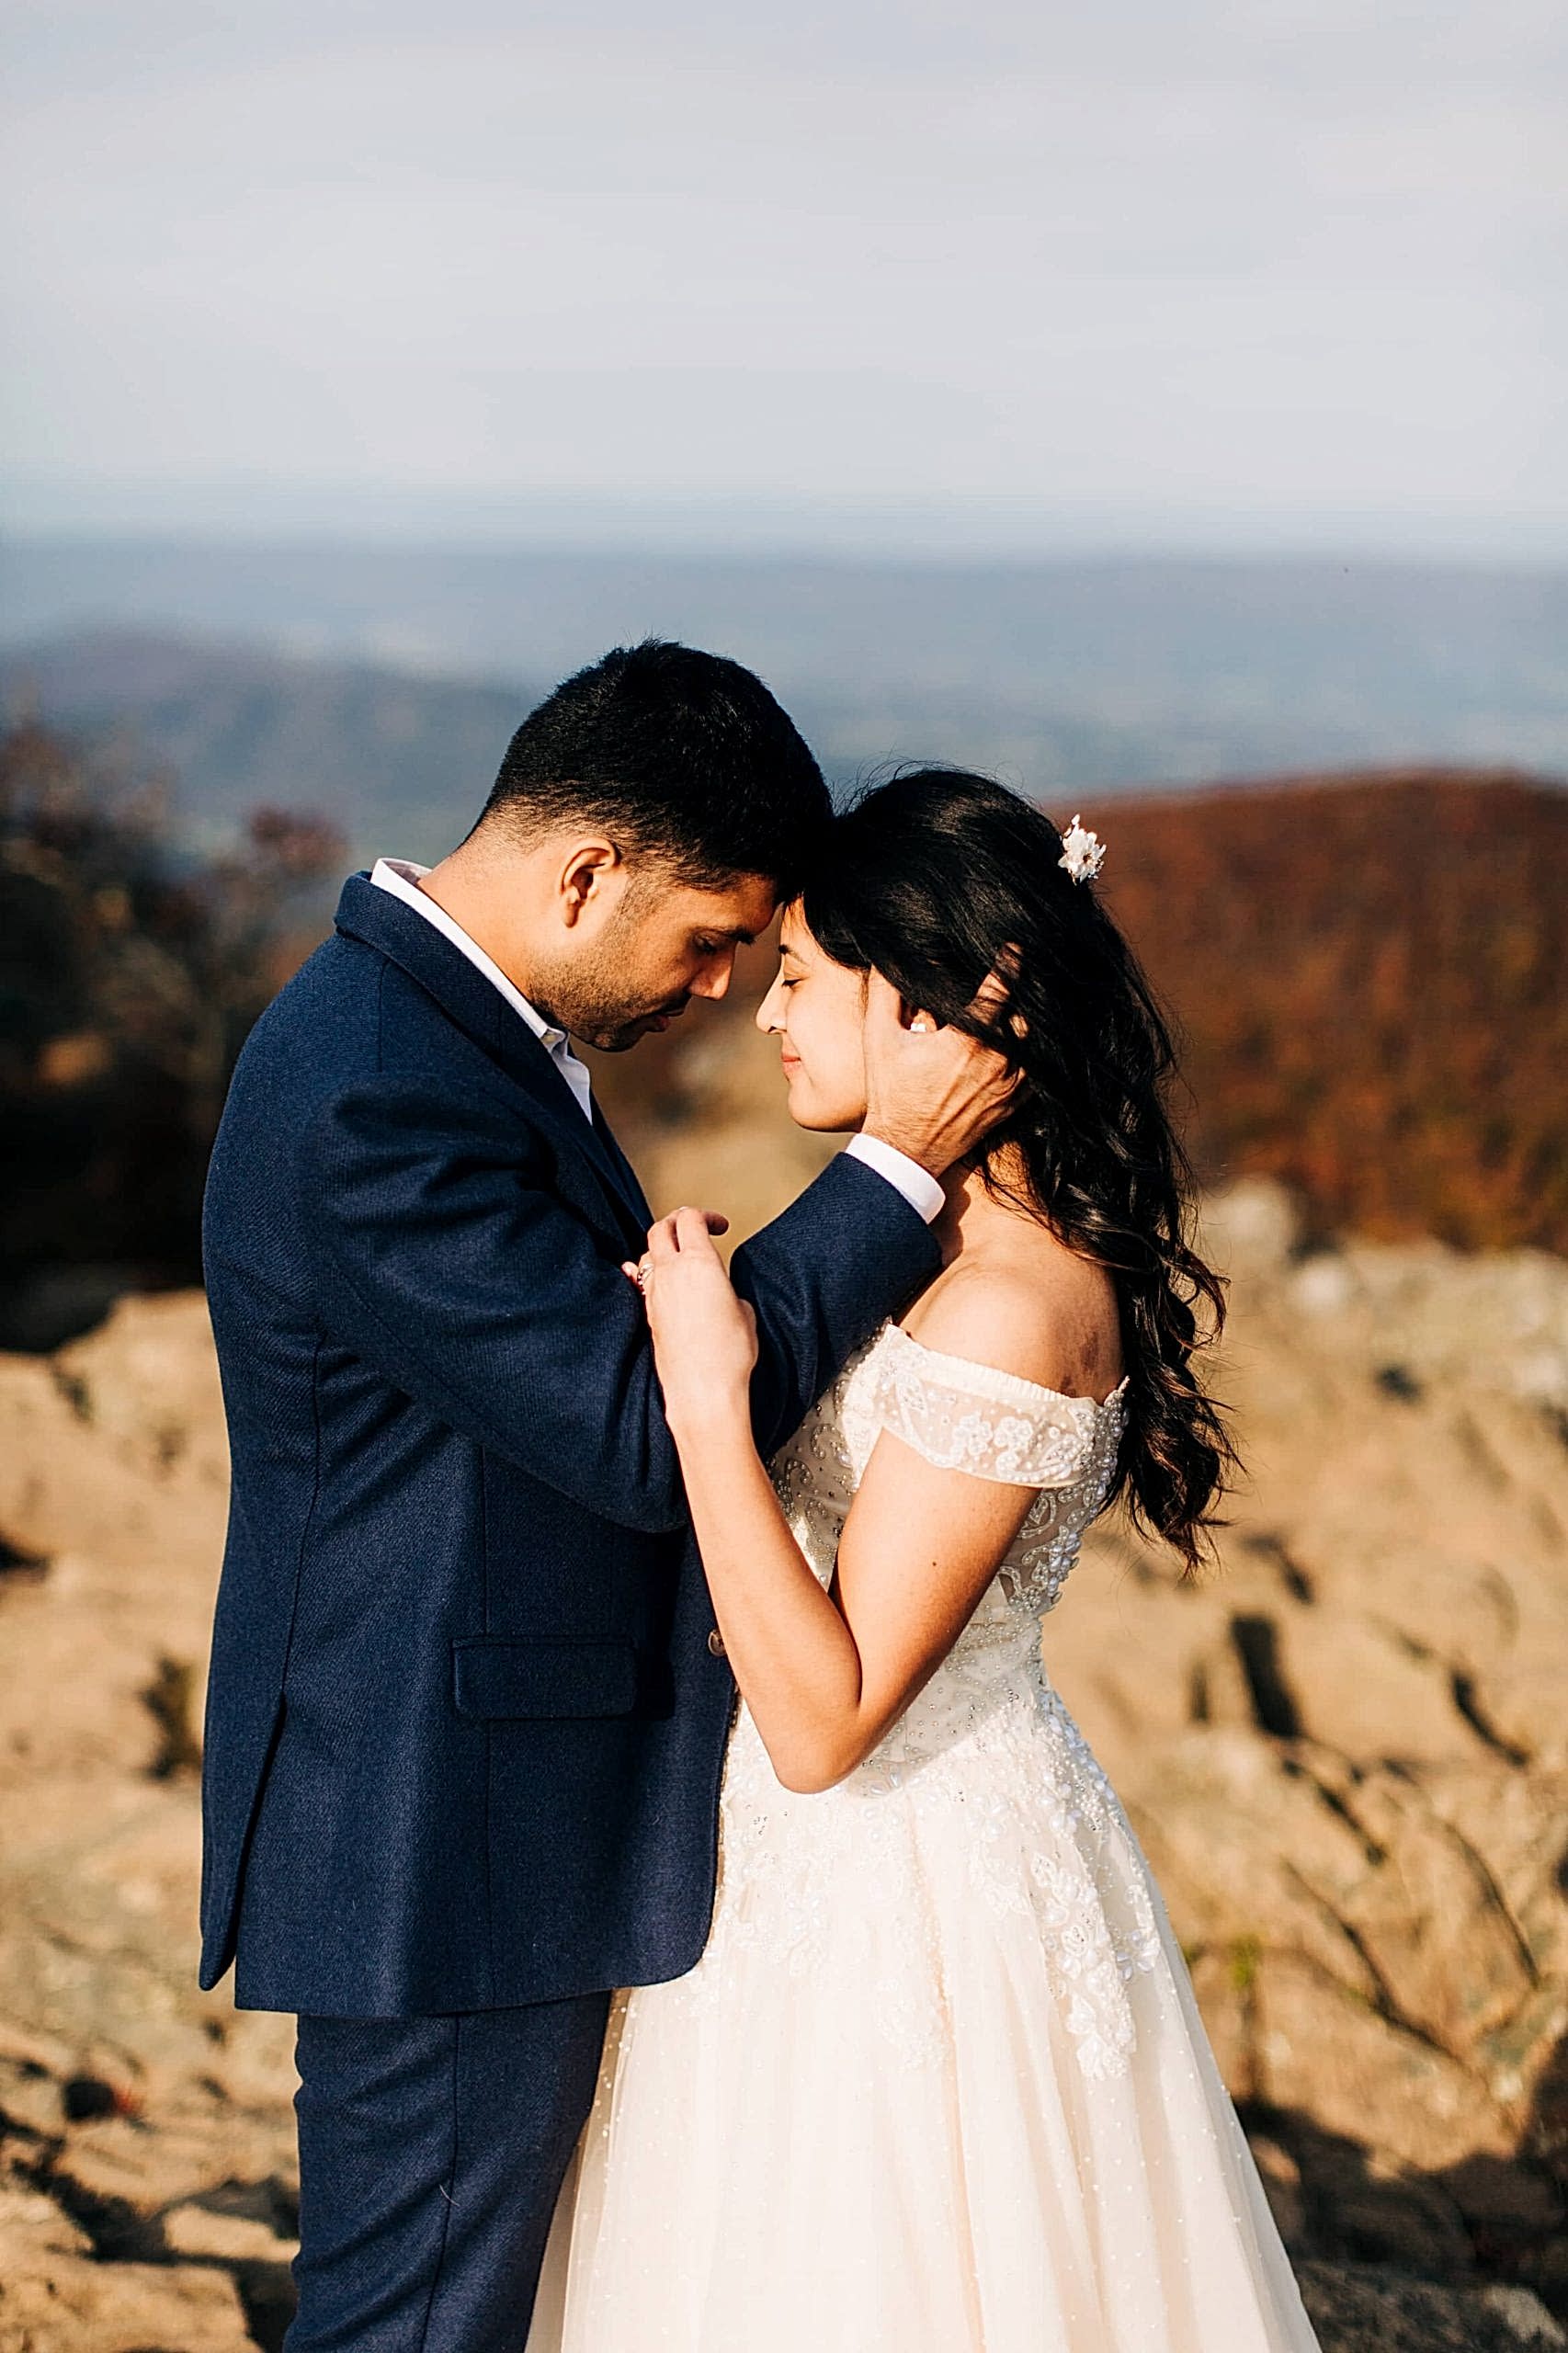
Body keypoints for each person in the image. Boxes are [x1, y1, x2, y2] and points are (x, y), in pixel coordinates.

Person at [199, 647, 1016, 2351]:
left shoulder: (432, 1033)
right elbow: (647, 1429)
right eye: (709, 936)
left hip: (494, 1811)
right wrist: (891, 1172)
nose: (722, 988)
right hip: (439, 1838)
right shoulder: (373, 1088)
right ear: (588, 873)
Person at [530, 768, 1322, 2352]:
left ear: (927, 1007)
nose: (769, 1019)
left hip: (901, 1884)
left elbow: (826, 1720)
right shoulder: (944, 1254)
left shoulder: (1007, 1311)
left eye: (805, 982)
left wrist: (701, 1391)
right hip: (809, 1874)